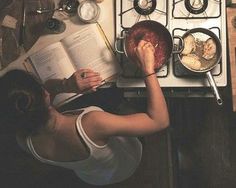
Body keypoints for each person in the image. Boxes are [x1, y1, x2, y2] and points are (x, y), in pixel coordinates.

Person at [0, 40, 169, 186]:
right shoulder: (93, 123)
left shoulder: (23, 138)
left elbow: (42, 94)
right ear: (44, 95)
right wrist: (148, 68)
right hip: (125, 164)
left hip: (94, 176)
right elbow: (159, 121)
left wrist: (67, 85)